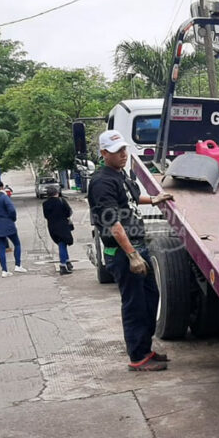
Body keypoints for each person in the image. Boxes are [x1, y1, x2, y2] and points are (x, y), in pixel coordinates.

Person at [88, 130, 174, 371]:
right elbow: (112, 221)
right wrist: (132, 255)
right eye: (117, 152)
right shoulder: (102, 182)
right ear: (104, 154)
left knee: (150, 299)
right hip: (124, 254)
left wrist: (155, 199)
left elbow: (132, 199)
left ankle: (145, 349)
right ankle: (137, 358)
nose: (123, 155)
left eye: (124, 150)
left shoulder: (121, 175)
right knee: (134, 305)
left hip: (138, 246)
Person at [0, 180, 26, 278]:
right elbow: (12, 210)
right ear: (1, 187)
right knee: (17, 244)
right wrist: (12, 218)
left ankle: (4, 271)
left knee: (1, 248)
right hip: (8, 224)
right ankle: (18, 265)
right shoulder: (4, 197)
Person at [42, 187, 74, 275]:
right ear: (57, 193)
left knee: (62, 244)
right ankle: (63, 265)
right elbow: (69, 212)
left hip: (52, 226)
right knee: (62, 244)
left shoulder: (45, 204)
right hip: (62, 226)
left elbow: (46, 216)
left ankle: (67, 261)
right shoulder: (61, 201)